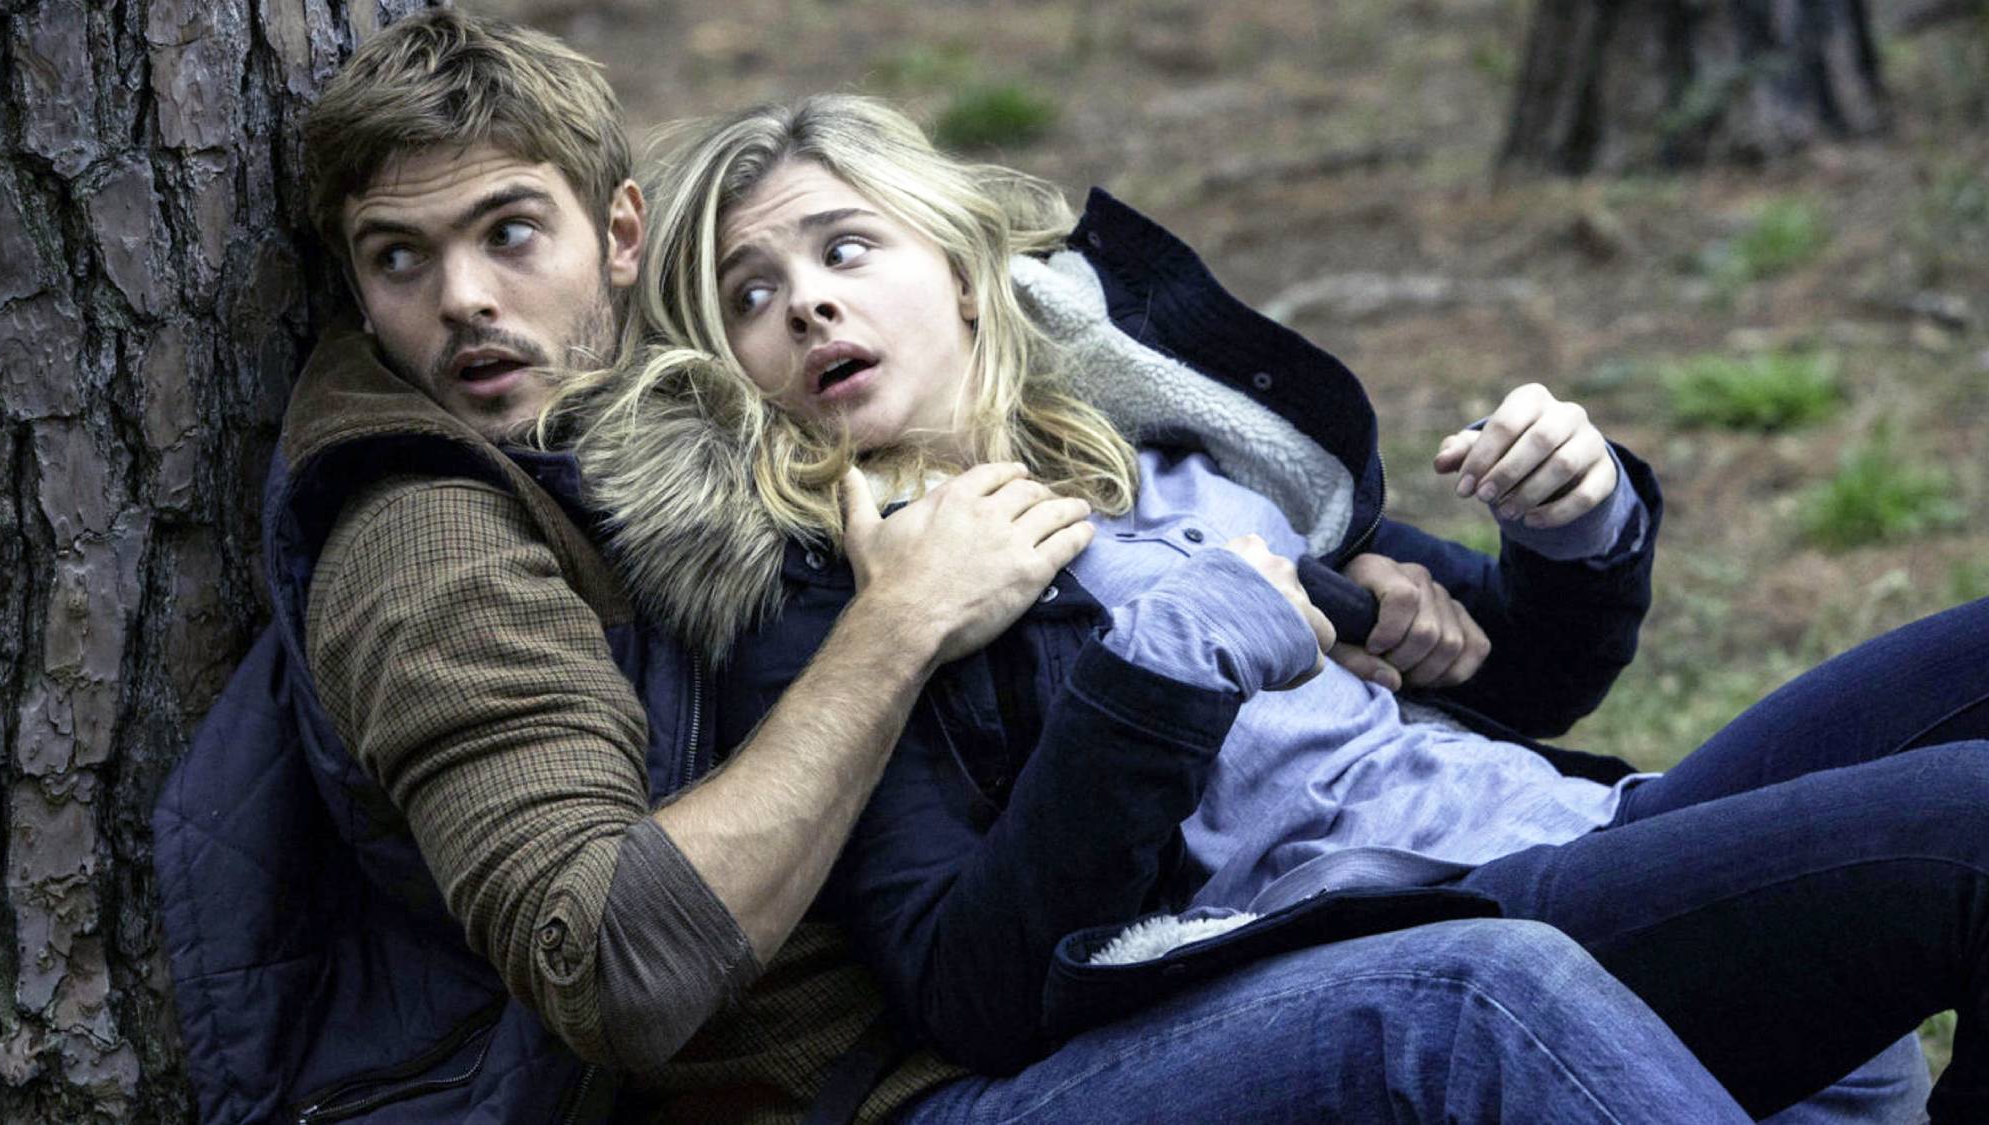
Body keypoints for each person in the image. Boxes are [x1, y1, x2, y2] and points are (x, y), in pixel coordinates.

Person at [150, 10, 1760, 1125]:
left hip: (1260, 914)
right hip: (914, 1079)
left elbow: (1461, 636)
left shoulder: (782, 400)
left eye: (510, 233)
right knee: (1476, 1001)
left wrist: (1423, 571)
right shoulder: (436, 535)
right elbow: (619, 964)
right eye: (399, 260)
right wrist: (906, 626)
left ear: (620, 239)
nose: (464, 302)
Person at [561, 92, 1980, 1121]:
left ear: (963, 271)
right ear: (726, 367)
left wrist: (1576, 524)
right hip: (1402, 911)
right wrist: (1162, 671)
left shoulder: (1170, 448)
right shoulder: (841, 589)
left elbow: (1522, 670)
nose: (808, 304)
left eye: (844, 249)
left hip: (1581, 825)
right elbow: (972, 984)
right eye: (750, 295)